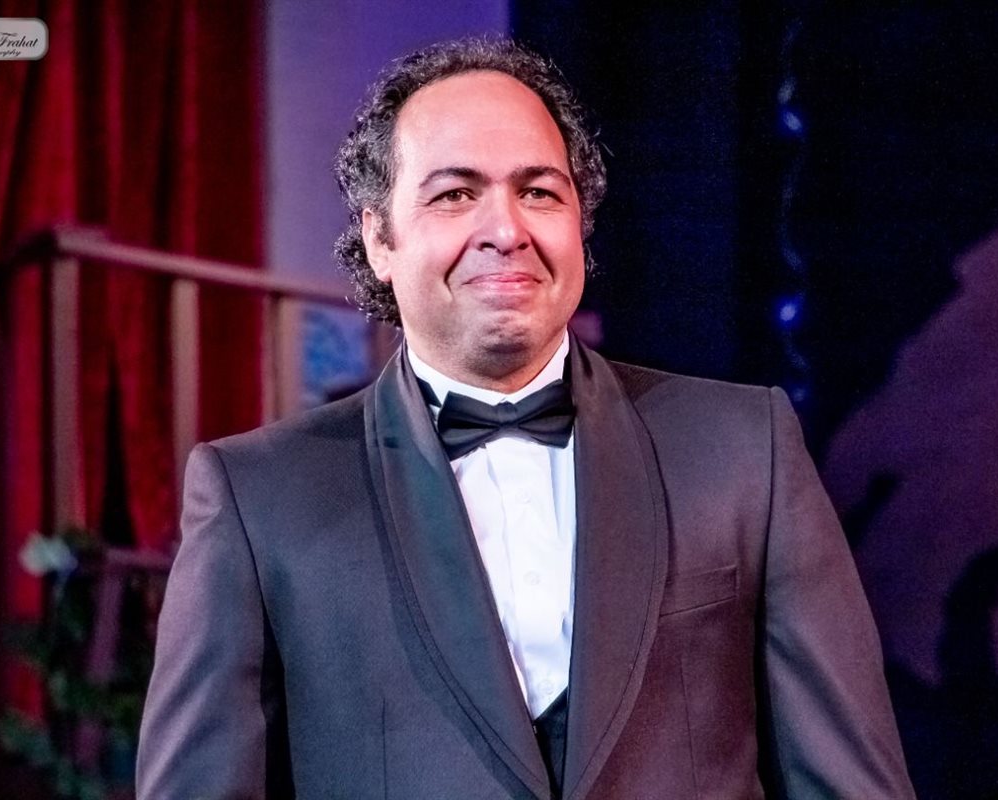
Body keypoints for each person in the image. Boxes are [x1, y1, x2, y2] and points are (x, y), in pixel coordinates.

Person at [136, 38, 915, 800]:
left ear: (581, 222)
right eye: (455, 194)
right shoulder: (259, 497)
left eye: (539, 191)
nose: (506, 230)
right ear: (379, 239)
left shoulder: (744, 449)